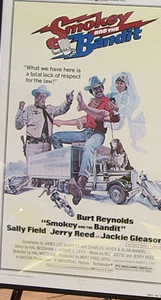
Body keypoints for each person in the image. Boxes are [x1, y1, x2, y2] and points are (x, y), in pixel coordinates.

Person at [51, 76, 119, 205]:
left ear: (103, 88)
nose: (98, 90)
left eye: (99, 87)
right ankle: (70, 175)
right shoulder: (91, 103)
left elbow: (102, 114)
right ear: (92, 91)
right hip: (85, 133)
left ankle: (81, 181)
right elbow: (81, 120)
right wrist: (62, 122)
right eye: (95, 89)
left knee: (88, 147)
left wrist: (85, 107)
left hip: (98, 135)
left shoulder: (108, 101)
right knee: (55, 137)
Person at [15, 85, 74, 157]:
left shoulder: (49, 109)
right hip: (33, 147)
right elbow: (18, 126)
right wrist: (20, 110)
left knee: (46, 167)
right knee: (33, 168)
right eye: (41, 97)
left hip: (47, 146)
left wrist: (68, 102)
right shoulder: (29, 110)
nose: (43, 99)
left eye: (45, 97)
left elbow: (61, 109)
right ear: (36, 97)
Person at [107, 71, 147, 152]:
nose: (119, 85)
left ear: (126, 85)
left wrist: (117, 109)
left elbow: (127, 109)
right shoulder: (113, 95)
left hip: (123, 120)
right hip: (113, 119)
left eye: (121, 83)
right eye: (117, 83)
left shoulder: (129, 97)